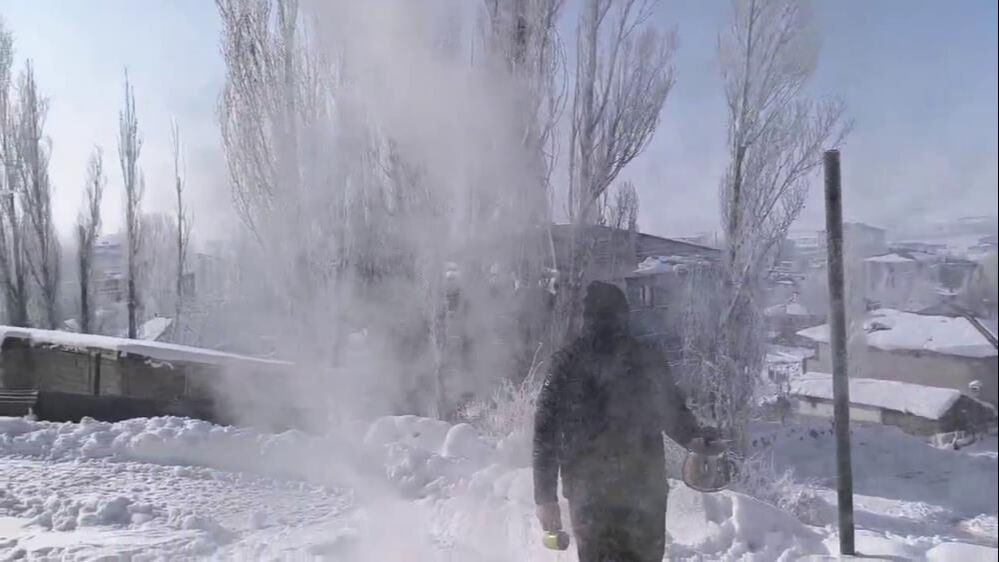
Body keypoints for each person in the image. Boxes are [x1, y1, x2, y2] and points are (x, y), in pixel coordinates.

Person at [533, 281, 711, 562]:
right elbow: (673, 412)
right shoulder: (645, 357)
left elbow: (545, 433)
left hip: (592, 496)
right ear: (623, 316)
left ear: (585, 318)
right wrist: (694, 437)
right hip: (641, 492)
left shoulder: (565, 363)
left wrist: (545, 497)